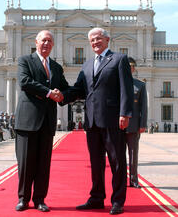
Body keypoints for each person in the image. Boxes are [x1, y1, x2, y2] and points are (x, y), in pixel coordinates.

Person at [61, 27, 133, 215]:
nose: (95, 42)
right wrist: (61, 96)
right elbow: (78, 90)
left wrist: (125, 113)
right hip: (91, 121)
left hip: (112, 120)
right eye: (92, 40)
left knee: (117, 162)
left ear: (107, 40)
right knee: (96, 162)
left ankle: (118, 200)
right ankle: (96, 198)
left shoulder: (119, 59)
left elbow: (126, 88)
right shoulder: (86, 65)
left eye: (98, 38)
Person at [14, 30, 69, 212]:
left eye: (50, 41)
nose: (46, 44)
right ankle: (23, 198)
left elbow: (64, 89)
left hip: (47, 121)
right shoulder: (25, 60)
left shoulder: (56, 67)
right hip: (27, 120)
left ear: (53, 45)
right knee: (25, 162)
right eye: (43, 40)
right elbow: (24, 81)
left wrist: (68, 94)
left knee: (43, 163)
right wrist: (48, 92)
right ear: (36, 42)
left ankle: (39, 199)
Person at [125, 57, 147, 189]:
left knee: (133, 155)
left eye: (132, 67)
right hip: (118, 126)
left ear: (134, 69)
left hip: (133, 125)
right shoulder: (116, 84)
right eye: (128, 66)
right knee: (119, 157)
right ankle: (121, 181)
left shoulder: (140, 85)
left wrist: (143, 124)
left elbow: (143, 107)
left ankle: (133, 180)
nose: (130, 69)